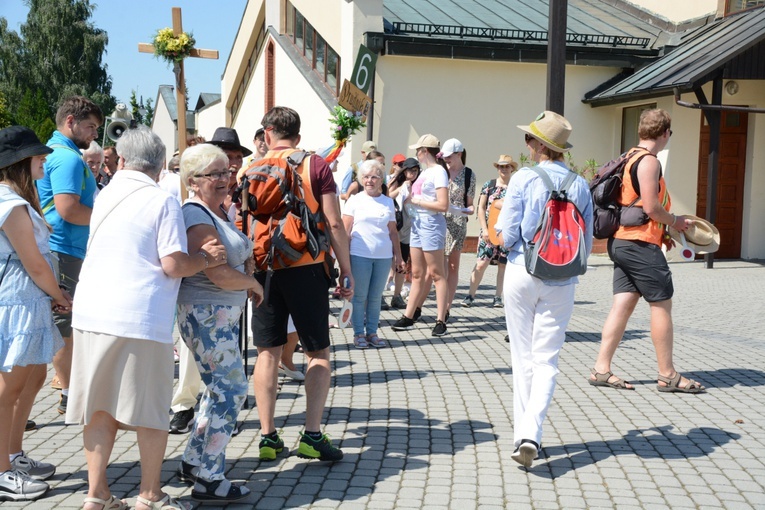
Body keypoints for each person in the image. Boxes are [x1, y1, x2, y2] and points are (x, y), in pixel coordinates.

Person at [65, 126, 227, 510]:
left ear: (119, 160)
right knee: (150, 411)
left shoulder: (104, 195)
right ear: (159, 166)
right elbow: (173, 264)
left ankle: (96, 493)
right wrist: (207, 258)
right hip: (138, 315)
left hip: (91, 312)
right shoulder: (161, 200)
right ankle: (150, 495)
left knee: (99, 408)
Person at [250, 106, 353, 462]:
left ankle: (267, 437)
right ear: (297, 133)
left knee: (267, 352)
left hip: (264, 266)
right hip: (306, 264)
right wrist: (346, 269)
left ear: (267, 134)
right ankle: (311, 434)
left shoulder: (253, 168)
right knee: (317, 352)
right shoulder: (316, 165)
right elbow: (334, 222)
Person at [499, 111, 593, 468]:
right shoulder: (579, 184)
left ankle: (524, 435)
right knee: (546, 360)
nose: (527, 144)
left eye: (528, 139)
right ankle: (530, 433)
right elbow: (587, 233)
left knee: (521, 357)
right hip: (563, 277)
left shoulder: (523, 178)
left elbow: (507, 234)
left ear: (537, 145)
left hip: (523, 269)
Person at [589, 108, 705, 393]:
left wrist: (662, 230)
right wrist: (676, 222)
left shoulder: (629, 156)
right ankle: (668, 375)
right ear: (665, 133)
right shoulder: (649, 162)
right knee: (661, 304)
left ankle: (601, 369)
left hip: (622, 241)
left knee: (623, 304)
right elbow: (652, 207)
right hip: (639, 244)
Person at [175, 144, 264, 502]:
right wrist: (252, 283)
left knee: (216, 391)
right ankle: (209, 476)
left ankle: (196, 462)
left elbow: (230, 262)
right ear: (193, 181)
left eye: (227, 172)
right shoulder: (196, 214)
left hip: (217, 315)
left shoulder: (217, 211)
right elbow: (218, 274)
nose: (225, 180)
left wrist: (247, 267)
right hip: (206, 313)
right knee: (233, 393)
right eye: (215, 174)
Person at [0, 126, 72, 502]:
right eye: (37, 155)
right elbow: (33, 263)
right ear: (20, 162)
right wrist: (57, 293)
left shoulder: (14, 198)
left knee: (32, 378)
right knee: (8, 387)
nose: (44, 159)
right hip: (19, 299)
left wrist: (52, 295)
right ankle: (2, 471)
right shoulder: (8, 203)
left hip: (29, 298)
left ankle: (12, 455)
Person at [36, 95, 103, 416]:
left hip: (64, 249)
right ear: (70, 122)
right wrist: (107, 214)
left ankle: (69, 389)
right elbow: (68, 209)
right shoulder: (67, 159)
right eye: (90, 126)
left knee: (66, 320)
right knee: (64, 322)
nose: (94, 134)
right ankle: (68, 393)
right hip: (63, 249)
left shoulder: (60, 154)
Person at [391, 134, 450, 337]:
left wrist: (415, 202)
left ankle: (441, 319)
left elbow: (443, 205)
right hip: (417, 224)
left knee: (436, 273)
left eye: (418, 150)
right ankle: (409, 315)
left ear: (425, 151)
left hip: (431, 224)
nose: (416, 153)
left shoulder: (439, 172)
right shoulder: (425, 172)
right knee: (416, 273)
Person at [343, 159, 405, 349]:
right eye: (366, 177)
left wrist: (399, 257)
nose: (369, 180)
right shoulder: (354, 200)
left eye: (374, 177)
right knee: (359, 296)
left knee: (376, 297)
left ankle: (372, 333)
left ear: (381, 180)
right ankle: (358, 333)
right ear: (361, 179)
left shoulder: (388, 202)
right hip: (359, 254)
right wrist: (342, 261)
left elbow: (393, 232)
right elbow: (345, 231)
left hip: (383, 256)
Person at [462, 155, 517, 307]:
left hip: (507, 234)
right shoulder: (489, 185)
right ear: (497, 168)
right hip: (489, 232)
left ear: (512, 168)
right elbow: (480, 207)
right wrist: (484, 229)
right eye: (501, 166)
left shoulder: (515, 187)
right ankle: (470, 295)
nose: (504, 169)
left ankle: (498, 297)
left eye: (507, 166)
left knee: (503, 265)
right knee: (481, 264)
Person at [441, 138, 475, 314]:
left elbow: (469, 204)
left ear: (459, 154)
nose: (446, 160)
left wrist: (469, 209)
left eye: (449, 156)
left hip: (458, 223)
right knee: (441, 266)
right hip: (440, 222)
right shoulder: (441, 172)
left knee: (453, 266)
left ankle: (447, 307)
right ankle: (440, 304)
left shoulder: (469, 174)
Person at [386, 157, 420, 309]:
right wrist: (401, 188)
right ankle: (379, 295)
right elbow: (385, 197)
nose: (412, 174)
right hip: (393, 227)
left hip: (408, 229)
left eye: (415, 171)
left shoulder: (420, 183)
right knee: (387, 262)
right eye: (409, 170)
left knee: (402, 262)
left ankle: (397, 295)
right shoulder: (396, 181)